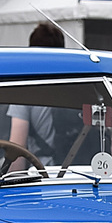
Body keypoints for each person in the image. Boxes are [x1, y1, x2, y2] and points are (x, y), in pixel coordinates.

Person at [8, 21, 68, 168]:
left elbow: (17, 149)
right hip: (84, 177)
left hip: (44, 176)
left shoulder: (25, 92)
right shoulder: (83, 89)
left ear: (32, 51)